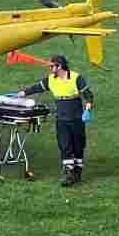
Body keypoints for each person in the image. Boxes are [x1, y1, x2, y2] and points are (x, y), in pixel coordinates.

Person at [12, 54, 94, 187]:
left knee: (78, 144)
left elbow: (88, 95)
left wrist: (88, 109)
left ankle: (77, 171)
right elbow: (37, 87)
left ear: (59, 66)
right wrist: (21, 94)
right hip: (61, 118)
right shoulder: (51, 79)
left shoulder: (76, 78)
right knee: (64, 144)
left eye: (52, 66)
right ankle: (68, 173)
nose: (50, 68)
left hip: (76, 117)